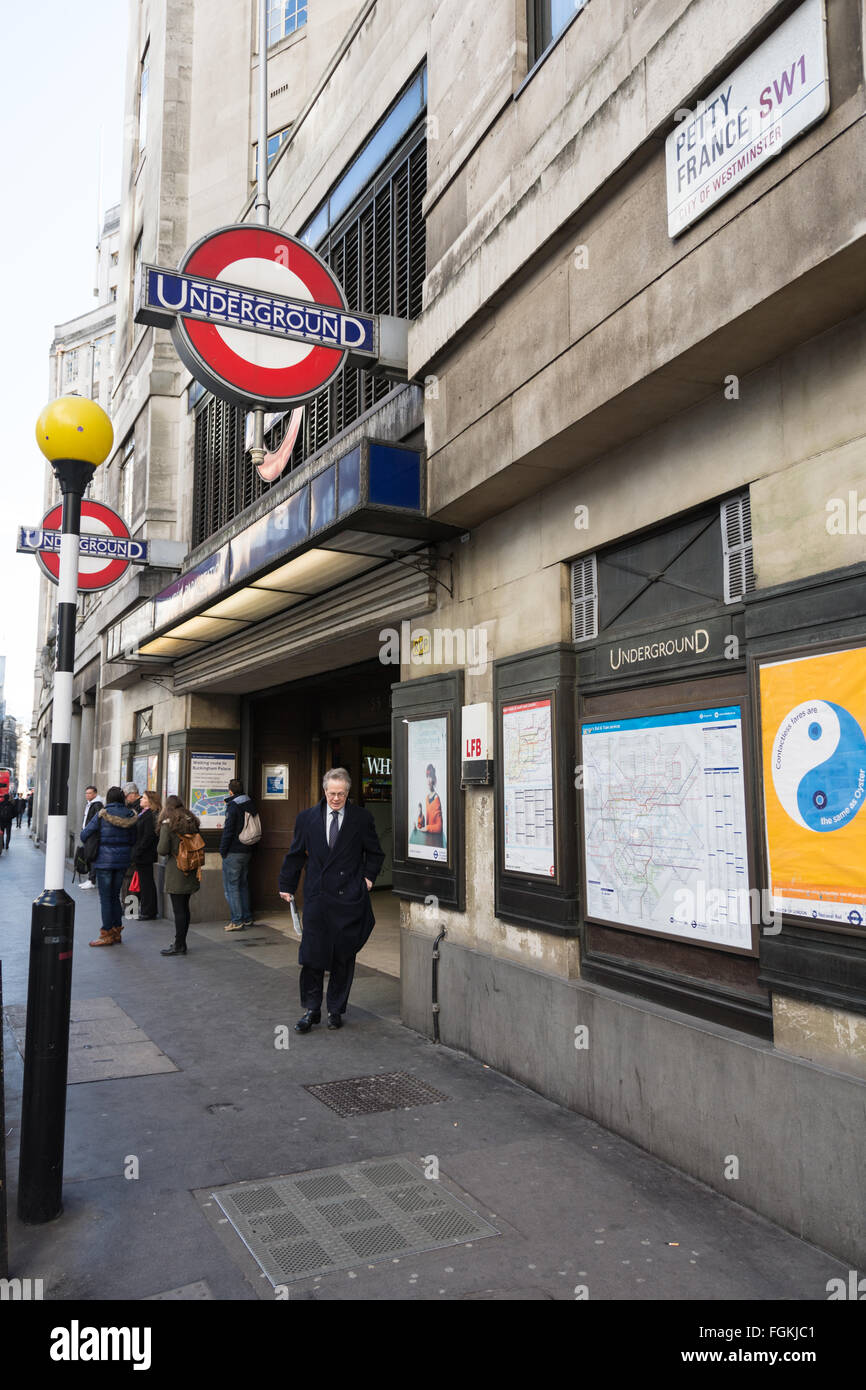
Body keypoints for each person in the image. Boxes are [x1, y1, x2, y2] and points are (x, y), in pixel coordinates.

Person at [279, 767, 384, 1032]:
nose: (335, 799)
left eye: (341, 794)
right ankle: (311, 1009)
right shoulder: (307, 818)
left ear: (348, 793)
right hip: (318, 896)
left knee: (343, 957)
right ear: (324, 791)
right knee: (312, 956)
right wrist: (286, 884)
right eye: (331, 793)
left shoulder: (361, 818)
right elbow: (295, 855)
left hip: (348, 898)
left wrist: (368, 879)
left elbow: (375, 853)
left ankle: (335, 1010)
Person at [81, 786, 137, 947]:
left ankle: (106, 934)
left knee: (105, 898)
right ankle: (116, 932)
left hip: (104, 860)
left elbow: (84, 834)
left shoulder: (102, 815)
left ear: (109, 799)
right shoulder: (131, 815)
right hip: (122, 861)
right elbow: (133, 839)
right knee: (115, 896)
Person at [156, 795, 202, 956]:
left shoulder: (168, 825)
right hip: (191, 869)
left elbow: (162, 849)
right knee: (184, 908)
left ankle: (179, 945)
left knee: (178, 910)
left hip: (176, 870)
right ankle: (181, 942)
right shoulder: (192, 822)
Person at [220, 779, 257, 932]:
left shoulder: (233, 806)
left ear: (230, 791)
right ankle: (247, 917)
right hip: (247, 849)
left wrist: (223, 850)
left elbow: (228, 831)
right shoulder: (250, 803)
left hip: (234, 851)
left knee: (231, 887)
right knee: (242, 884)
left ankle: (236, 920)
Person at [130, 790, 161, 920]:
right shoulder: (144, 813)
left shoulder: (149, 815)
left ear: (150, 801)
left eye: (144, 798)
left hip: (145, 855)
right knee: (145, 883)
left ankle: (149, 911)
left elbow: (148, 836)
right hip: (142, 854)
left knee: (146, 883)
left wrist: (138, 851)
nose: (141, 799)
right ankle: (147, 909)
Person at [78, 784, 103, 890]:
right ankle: (90, 879)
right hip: (88, 834)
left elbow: (96, 822)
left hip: (93, 835)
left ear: (95, 794)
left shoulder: (97, 805)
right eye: (86, 793)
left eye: (89, 793)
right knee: (89, 856)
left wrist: (87, 832)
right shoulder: (90, 803)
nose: (87, 795)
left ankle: (92, 880)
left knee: (92, 857)